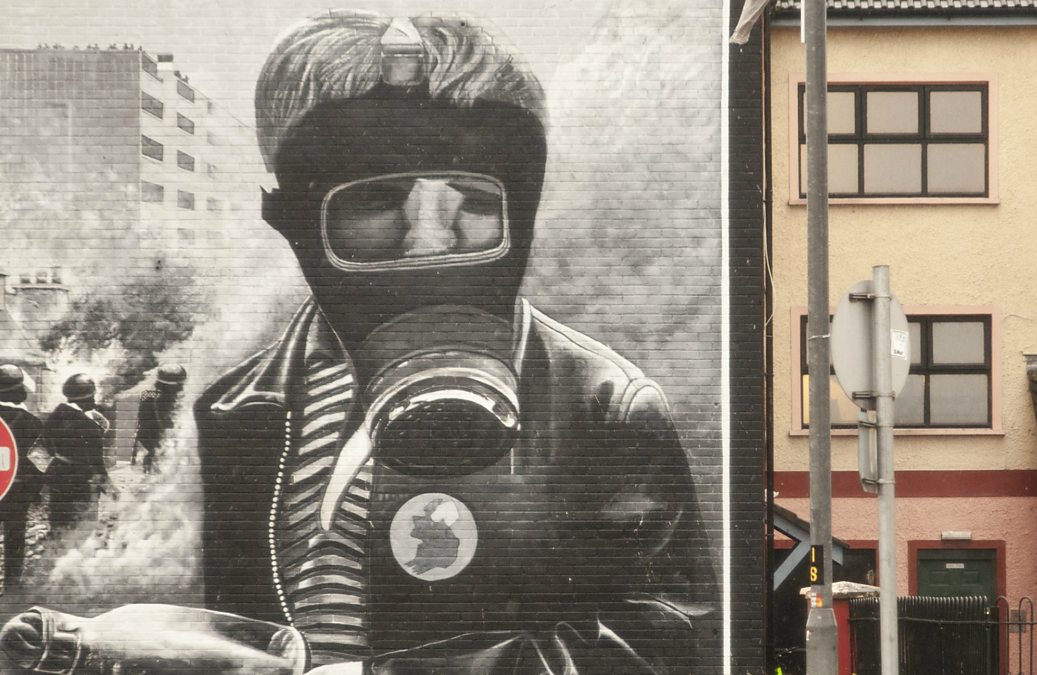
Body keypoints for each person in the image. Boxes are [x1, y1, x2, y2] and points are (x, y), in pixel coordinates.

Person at [193, 9, 716, 674]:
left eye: (473, 199)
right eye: (378, 199)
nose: (431, 238)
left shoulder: (602, 405)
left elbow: (665, 640)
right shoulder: (239, 411)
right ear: (291, 218)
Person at [42, 374, 112, 534]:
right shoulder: (89, 425)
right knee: (82, 526)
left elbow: (44, 449)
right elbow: (96, 462)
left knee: (59, 523)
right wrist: (107, 484)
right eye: (92, 397)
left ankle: (56, 546)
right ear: (85, 398)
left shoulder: (54, 417)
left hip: (57, 477)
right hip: (81, 481)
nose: (94, 401)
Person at [0, 365, 44, 588]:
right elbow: (41, 463)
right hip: (17, 492)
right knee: (14, 535)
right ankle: (12, 583)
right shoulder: (31, 422)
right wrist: (35, 491)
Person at [131, 364, 187, 474]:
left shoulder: (149, 395)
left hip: (152, 446)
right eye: (179, 385)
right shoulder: (163, 399)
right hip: (159, 449)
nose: (182, 388)